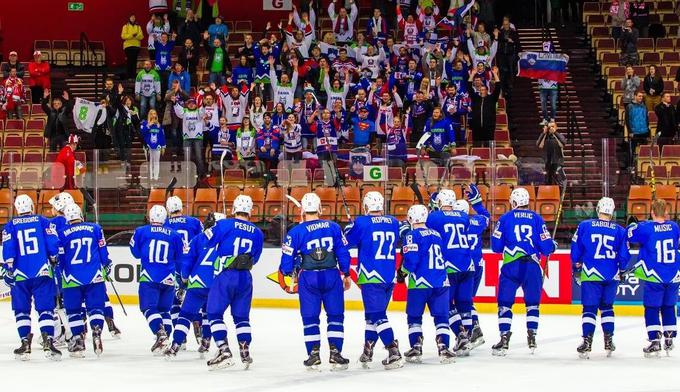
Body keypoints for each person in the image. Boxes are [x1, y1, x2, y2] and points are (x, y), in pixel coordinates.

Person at [279, 193, 352, 370]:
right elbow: (343, 252)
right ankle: (335, 353)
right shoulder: (333, 227)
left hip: (308, 278)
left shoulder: (296, 231)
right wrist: (346, 273)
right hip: (331, 276)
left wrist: (288, 273)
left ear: (303, 209)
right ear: (320, 208)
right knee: (335, 316)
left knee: (310, 317)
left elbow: (287, 259)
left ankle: (313, 354)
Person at [490, 188, 556, 355]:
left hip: (511, 266)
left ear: (513, 202)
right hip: (532, 266)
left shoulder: (505, 218)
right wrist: (552, 245)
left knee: (505, 303)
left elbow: (496, 247)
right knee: (533, 304)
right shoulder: (537, 218)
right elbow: (547, 248)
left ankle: (504, 339)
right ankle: (532, 337)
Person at [201, 196, 264, 369]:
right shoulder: (258, 232)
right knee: (242, 317)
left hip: (225, 276)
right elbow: (256, 258)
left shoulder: (225, 224)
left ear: (234, 208)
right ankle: (245, 350)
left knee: (213, 313)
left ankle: (223, 350)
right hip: (245, 277)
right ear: (250, 210)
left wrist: (208, 227)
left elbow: (207, 241)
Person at [344, 191, 403, 369]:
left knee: (377, 315)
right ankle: (368, 349)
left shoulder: (361, 222)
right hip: (388, 276)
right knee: (372, 314)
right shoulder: (393, 221)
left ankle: (393, 350)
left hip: (371, 276)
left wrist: (350, 227)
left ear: (366, 206)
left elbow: (347, 241)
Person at [1, 195, 60, 360]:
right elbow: (52, 243)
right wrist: (54, 257)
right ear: (31, 206)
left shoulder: (10, 226)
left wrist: (9, 267)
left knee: (21, 311)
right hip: (41, 271)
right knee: (45, 309)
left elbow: (8, 248)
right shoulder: (42, 221)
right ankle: (48, 340)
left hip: (20, 275)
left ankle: (25, 343)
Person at [571, 197, 629, 358]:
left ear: (598, 209)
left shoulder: (585, 226)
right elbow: (624, 256)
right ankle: (609, 340)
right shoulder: (620, 230)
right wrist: (622, 270)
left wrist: (576, 263)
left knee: (589, 308)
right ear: (612, 212)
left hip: (591, 273)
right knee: (607, 307)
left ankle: (587, 342)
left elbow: (576, 248)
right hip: (611, 274)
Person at [399, 204, 456, 364]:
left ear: (411, 218)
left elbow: (411, 260)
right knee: (442, 317)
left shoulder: (411, 235)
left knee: (414, 317)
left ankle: (416, 346)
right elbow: (444, 256)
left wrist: (402, 271)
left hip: (420, 283)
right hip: (440, 282)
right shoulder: (437, 234)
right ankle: (444, 347)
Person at [164, 212, 226, 359]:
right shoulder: (226, 242)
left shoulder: (198, 239)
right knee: (211, 315)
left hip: (197, 282)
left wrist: (184, 280)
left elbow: (186, 263)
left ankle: (175, 345)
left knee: (185, 315)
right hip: (217, 284)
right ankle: (206, 342)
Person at [627, 199, 680, 357]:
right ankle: (669, 339)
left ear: (651, 213)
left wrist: (632, 224)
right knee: (669, 307)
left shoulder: (646, 228)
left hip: (654, 276)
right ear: (666, 212)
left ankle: (655, 341)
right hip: (673, 276)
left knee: (652, 308)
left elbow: (630, 235)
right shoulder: (674, 226)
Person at [56, 204, 110, 358]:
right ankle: (97, 331)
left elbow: (58, 257)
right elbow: (103, 252)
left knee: (73, 311)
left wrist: (59, 274)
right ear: (80, 214)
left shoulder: (61, 233)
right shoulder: (95, 228)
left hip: (71, 278)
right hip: (94, 276)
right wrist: (107, 264)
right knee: (96, 308)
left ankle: (79, 341)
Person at [129, 205, 184, 354]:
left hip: (149, 277)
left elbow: (135, 253)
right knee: (164, 310)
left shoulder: (141, 231)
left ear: (150, 216)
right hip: (168, 278)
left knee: (148, 308)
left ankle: (160, 335)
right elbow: (181, 258)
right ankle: (166, 336)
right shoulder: (174, 234)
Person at [173, 97, 207, 178]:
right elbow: (178, 111)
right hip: (187, 137)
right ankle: (187, 174)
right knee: (187, 157)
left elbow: (202, 113)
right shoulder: (185, 111)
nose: (191, 105)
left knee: (199, 157)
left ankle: (201, 174)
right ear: (187, 104)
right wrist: (175, 103)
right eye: (189, 103)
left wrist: (204, 105)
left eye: (193, 103)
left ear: (196, 104)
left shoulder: (198, 111)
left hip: (197, 138)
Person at [114, 93, 140, 169]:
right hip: (121, 129)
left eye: (129, 100)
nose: (128, 102)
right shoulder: (122, 108)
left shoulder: (134, 109)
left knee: (129, 146)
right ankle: (123, 160)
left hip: (129, 130)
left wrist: (133, 115)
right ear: (124, 101)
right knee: (122, 145)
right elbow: (117, 103)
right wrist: (119, 94)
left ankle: (128, 161)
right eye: (127, 100)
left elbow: (137, 121)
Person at [496, 16, 520, 101]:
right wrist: (506, 40)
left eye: (507, 24)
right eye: (504, 24)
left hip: (510, 54)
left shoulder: (513, 32)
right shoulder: (500, 32)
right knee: (502, 72)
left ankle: (510, 89)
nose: (505, 25)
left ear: (509, 24)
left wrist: (512, 42)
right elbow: (498, 40)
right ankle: (503, 89)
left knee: (510, 71)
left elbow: (517, 42)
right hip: (502, 54)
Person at [536, 121, 567, 186]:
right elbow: (538, 144)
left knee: (558, 181)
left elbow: (563, 143)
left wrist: (555, 133)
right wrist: (543, 133)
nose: (551, 128)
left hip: (557, 162)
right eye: (549, 127)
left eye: (553, 126)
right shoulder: (545, 136)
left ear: (556, 127)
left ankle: (559, 194)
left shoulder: (559, 135)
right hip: (547, 162)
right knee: (547, 181)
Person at [140, 109, 166, 181]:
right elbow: (142, 133)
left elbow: (162, 136)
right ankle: (150, 177)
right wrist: (149, 125)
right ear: (149, 115)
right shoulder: (144, 123)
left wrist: (163, 146)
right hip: (148, 146)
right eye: (151, 113)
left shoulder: (158, 125)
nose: (153, 115)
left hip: (157, 146)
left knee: (156, 162)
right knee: (150, 161)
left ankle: (156, 178)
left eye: (154, 113)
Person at [626, 91, 649, 168]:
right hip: (634, 132)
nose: (641, 98)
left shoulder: (644, 106)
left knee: (644, 151)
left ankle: (643, 166)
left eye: (642, 96)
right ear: (635, 96)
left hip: (644, 132)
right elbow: (627, 120)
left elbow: (646, 118)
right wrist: (630, 131)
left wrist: (647, 129)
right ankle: (630, 165)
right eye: (639, 96)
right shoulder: (629, 106)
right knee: (631, 150)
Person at [121, 15, 145, 80]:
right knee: (129, 61)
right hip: (128, 46)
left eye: (134, 17)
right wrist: (132, 35)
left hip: (136, 46)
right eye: (131, 17)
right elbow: (123, 36)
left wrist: (135, 36)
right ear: (129, 18)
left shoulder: (138, 27)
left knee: (134, 61)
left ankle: (134, 76)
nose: (133, 18)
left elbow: (141, 36)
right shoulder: (125, 26)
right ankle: (128, 76)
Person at [153, 32, 176, 97]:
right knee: (159, 85)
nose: (163, 38)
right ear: (160, 38)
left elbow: (173, 42)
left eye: (165, 37)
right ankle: (159, 101)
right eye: (162, 37)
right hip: (158, 69)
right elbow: (155, 41)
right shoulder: (158, 45)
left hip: (167, 69)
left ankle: (166, 100)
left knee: (167, 85)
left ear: (167, 38)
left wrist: (173, 37)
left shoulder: (169, 45)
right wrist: (155, 37)